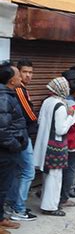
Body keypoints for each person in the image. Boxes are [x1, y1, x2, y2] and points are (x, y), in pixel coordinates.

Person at [33, 77, 75, 216]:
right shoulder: (61, 106)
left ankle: (45, 202)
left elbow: (40, 120)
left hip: (44, 142)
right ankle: (50, 207)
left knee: (47, 175)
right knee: (55, 177)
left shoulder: (47, 102)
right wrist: (71, 117)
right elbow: (61, 129)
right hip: (55, 145)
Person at [6, 59, 38, 221]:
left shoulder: (20, 89)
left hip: (19, 135)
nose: (28, 75)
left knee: (18, 171)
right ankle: (18, 207)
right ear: (17, 74)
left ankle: (13, 204)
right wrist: (37, 124)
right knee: (28, 171)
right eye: (25, 72)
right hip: (21, 136)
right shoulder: (19, 90)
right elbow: (29, 114)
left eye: (31, 72)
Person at [0, 61, 28, 234]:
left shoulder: (8, 95)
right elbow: (2, 131)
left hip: (9, 151)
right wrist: (15, 145)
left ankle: (1, 218)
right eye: (18, 74)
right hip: (5, 152)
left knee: (4, 186)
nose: (21, 77)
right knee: (1, 187)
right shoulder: (3, 98)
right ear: (11, 80)